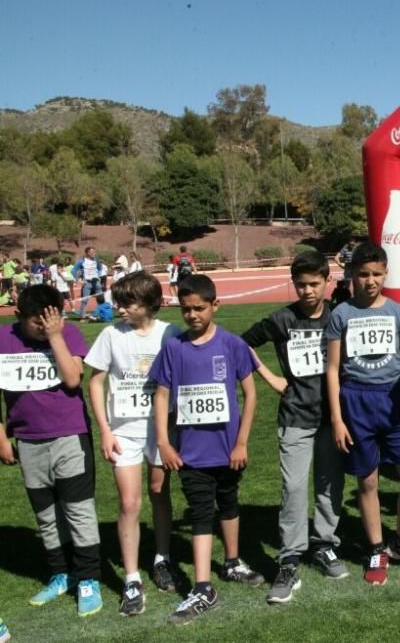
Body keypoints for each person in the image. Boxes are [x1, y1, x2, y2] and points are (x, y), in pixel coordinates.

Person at [151, 274, 264, 625]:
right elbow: (162, 395)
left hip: (229, 449)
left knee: (229, 503)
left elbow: (251, 394)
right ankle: (203, 587)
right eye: (186, 310)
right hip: (191, 453)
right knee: (201, 512)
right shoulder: (174, 348)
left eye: (199, 308)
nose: (193, 315)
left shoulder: (232, 345)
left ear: (215, 305)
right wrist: (164, 442)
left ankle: (232, 562)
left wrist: (242, 441)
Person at [241, 251, 348, 604]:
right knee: (293, 487)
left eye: (314, 284)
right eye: (300, 284)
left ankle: (324, 544)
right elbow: (240, 345)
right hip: (296, 416)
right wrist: (271, 376)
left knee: (329, 484)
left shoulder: (338, 314)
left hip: (334, 417)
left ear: (326, 282)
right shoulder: (282, 319)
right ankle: (289, 557)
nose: (307, 291)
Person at [0, 285, 103, 616]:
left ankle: (88, 578)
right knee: (46, 515)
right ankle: (61, 574)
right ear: (19, 316)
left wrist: (56, 336)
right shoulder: (4, 339)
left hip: (69, 436)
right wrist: (2, 436)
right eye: (38, 322)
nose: (45, 327)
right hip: (28, 440)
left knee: (78, 511)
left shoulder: (68, 334)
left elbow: (73, 379)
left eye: (52, 319)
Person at [327, 243, 400, 586]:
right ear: (353, 275)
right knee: (367, 480)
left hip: (395, 402)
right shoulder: (341, 314)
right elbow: (333, 370)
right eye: (363, 274)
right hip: (356, 403)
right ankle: (375, 548)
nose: (370, 281)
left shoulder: (398, 313)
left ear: (386, 274)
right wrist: (338, 419)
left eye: (377, 274)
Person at [86, 272, 183, 615]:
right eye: (118, 302)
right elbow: (95, 383)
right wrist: (105, 429)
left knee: (159, 493)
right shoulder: (110, 335)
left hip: (160, 430)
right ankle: (130, 579)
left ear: (149, 304)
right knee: (129, 503)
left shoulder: (169, 333)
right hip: (123, 432)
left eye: (127, 303)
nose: (120, 309)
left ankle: (162, 558)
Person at [72, 246, 103, 317]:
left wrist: (99, 276)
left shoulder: (96, 260)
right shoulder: (81, 261)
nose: (94, 253)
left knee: (100, 299)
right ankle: (82, 316)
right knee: (85, 300)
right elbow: (73, 270)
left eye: (94, 252)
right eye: (91, 252)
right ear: (87, 253)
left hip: (96, 282)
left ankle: (101, 315)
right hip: (87, 283)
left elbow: (100, 268)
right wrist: (79, 280)